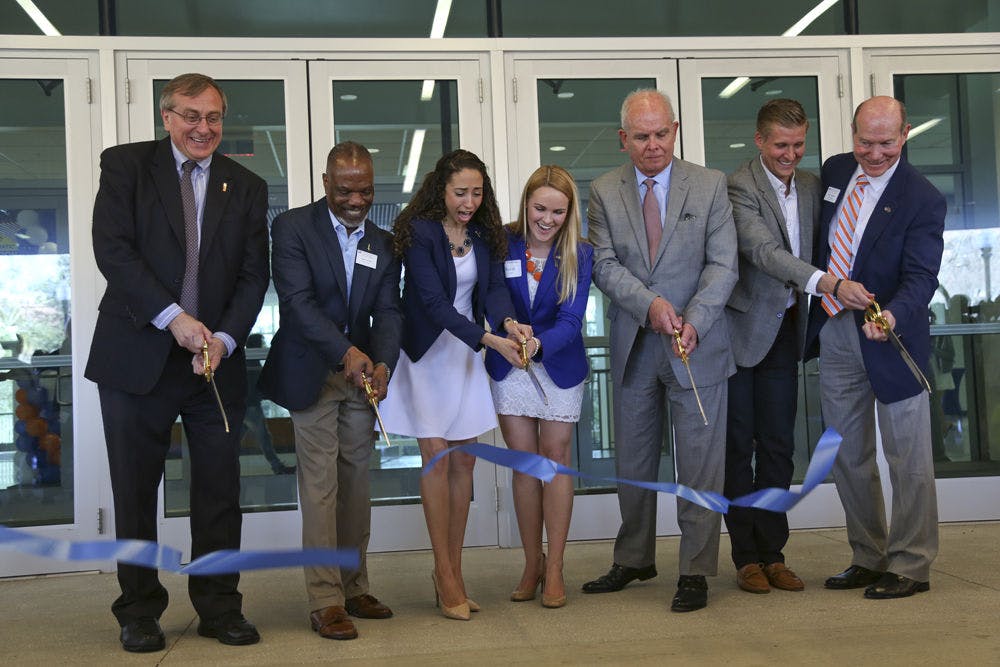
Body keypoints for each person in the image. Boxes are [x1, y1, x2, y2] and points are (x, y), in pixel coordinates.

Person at [85, 73, 269, 652]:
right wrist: (174, 318)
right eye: (190, 116)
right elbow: (112, 249)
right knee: (136, 492)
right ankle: (138, 610)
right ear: (166, 117)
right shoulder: (126, 167)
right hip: (137, 354)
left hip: (214, 364)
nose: (203, 128)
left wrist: (226, 338)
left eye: (213, 117)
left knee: (219, 490)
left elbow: (252, 275)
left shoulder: (246, 185)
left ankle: (219, 607)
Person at [583, 89, 738, 612]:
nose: (654, 145)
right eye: (642, 136)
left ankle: (695, 569)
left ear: (674, 130)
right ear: (623, 139)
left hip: (697, 345)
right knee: (634, 460)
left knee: (699, 463)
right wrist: (649, 305)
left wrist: (695, 319)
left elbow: (723, 265)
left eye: (661, 134)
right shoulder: (604, 190)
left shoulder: (711, 185)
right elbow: (603, 265)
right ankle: (633, 558)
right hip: (634, 346)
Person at [257, 141, 403, 640]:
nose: (356, 200)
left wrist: (383, 362)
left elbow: (387, 311)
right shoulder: (294, 227)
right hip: (312, 375)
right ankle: (324, 599)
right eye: (345, 190)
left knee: (355, 484)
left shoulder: (383, 243)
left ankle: (354, 584)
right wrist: (347, 353)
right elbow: (296, 303)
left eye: (364, 190)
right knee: (320, 486)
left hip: (358, 379)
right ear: (326, 184)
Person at [379, 149, 532, 621]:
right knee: (438, 459)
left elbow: (491, 291)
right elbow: (431, 302)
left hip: (466, 354)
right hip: (429, 355)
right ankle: (444, 574)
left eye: (477, 192)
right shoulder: (421, 233)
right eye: (460, 192)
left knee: (464, 462)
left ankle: (455, 571)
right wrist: (488, 339)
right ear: (440, 190)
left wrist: (508, 324)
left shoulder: (485, 234)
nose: (469, 201)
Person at [805, 96, 944, 599]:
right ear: (853, 132)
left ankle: (910, 564)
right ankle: (868, 555)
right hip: (835, 328)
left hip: (891, 333)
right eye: (866, 141)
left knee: (908, 458)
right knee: (847, 453)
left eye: (887, 143)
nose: (875, 153)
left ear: (905, 135)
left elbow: (922, 276)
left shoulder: (922, 197)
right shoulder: (838, 170)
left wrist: (891, 315)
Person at [723, 99, 840, 594]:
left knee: (777, 448)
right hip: (739, 334)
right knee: (737, 448)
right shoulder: (738, 186)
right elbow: (762, 251)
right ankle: (745, 556)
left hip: (786, 332)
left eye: (797, 145)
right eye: (780, 146)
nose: (790, 155)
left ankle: (773, 553)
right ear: (759, 141)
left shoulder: (813, 185)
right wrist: (825, 282)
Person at [485, 165, 593, 609]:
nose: (547, 219)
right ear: (526, 203)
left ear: (569, 215)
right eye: (540, 208)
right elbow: (492, 299)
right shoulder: (501, 242)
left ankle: (557, 567)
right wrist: (512, 334)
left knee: (555, 458)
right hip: (510, 364)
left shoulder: (581, 253)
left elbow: (571, 320)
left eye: (558, 212)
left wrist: (539, 344)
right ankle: (532, 562)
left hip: (558, 362)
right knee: (525, 465)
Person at [242, 334, 295, 475]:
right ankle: (277, 467)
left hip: (246, 406)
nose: (264, 346)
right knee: (264, 439)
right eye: (262, 343)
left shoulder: (249, 362)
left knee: (236, 440)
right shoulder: (252, 363)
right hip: (251, 406)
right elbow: (257, 385)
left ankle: (224, 467)